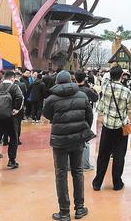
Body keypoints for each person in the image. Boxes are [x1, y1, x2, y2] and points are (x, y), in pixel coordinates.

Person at [43, 70, 94, 221]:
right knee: (78, 171)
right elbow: (89, 115)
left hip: (60, 140)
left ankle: (64, 212)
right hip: (78, 138)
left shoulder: (51, 99)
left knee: (61, 173)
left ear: (57, 82)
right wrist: (82, 128)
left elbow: (47, 114)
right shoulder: (82, 95)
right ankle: (80, 208)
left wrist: (58, 119)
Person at [92, 65, 131, 191]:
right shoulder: (126, 91)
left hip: (107, 126)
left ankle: (97, 183)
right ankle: (117, 183)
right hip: (121, 127)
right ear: (121, 76)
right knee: (119, 155)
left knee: (103, 155)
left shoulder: (105, 88)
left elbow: (100, 107)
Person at [0, 70, 24, 172]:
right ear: (12, 78)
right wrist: (16, 109)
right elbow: (20, 97)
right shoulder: (14, 87)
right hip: (10, 118)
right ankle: (11, 161)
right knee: (13, 139)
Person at [76, 71, 98, 171]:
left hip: (72, 117)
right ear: (85, 79)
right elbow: (96, 98)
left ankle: (71, 164)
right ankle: (85, 164)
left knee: (72, 141)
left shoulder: (72, 89)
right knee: (85, 141)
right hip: (85, 118)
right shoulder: (88, 91)